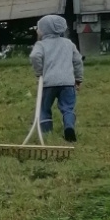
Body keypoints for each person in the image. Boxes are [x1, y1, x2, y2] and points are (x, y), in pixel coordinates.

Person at [30, 14, 84, 142]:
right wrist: (78, 78)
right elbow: (77, 61)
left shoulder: (41, 45)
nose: (37, 31)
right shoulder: (68, 43)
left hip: (48, 83)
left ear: (45, 30)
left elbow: (34, 57)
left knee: (44, 108)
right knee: (68, 108)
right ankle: (69, 127)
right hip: (67, 82)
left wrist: (39, 72)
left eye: (39, 28)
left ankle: (47, 133)